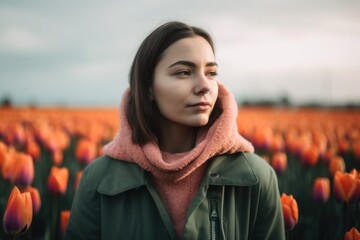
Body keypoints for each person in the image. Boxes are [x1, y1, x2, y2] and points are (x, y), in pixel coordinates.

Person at [64, 21, 285, 240]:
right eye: (184, 72)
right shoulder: (99, 179)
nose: (204, 85)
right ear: (148, 86)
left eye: (211, 73)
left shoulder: (257, 177)